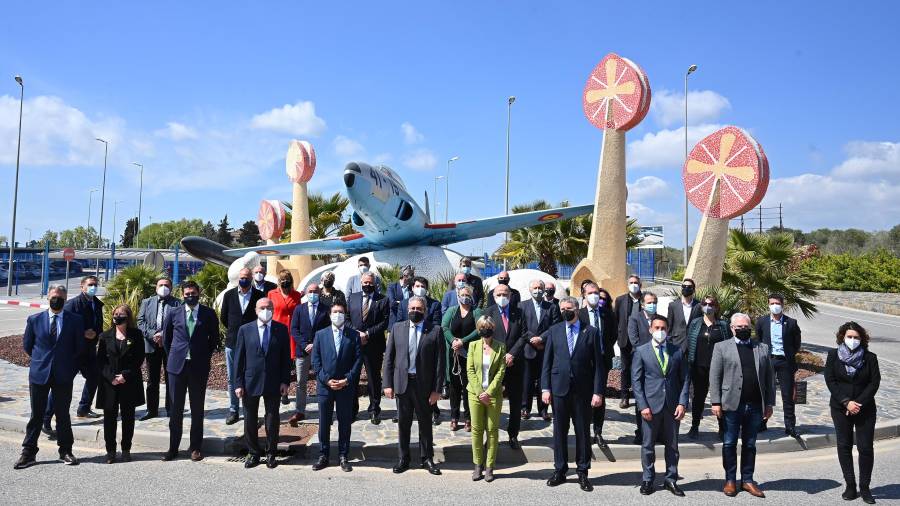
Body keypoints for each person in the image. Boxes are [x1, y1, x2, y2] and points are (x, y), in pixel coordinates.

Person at [15, 285, 84, 470]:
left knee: (63, 415)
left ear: (65, 298)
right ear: (48, 297)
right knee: (36, 415)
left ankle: (66, 451)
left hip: (63, 375)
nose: (57, 299)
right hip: (39, 374)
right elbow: (28, 346)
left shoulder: (75, 321)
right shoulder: (35, 320)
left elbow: (79, 348)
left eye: (60, 297)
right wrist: (42, 361)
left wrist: (68, 367)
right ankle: (28, 453)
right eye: (54, 296)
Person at [542, 296, 604, 492]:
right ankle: (560, 470)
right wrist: (545, 388)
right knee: (559, 431)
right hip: (559, 389)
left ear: (577, 309)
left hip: (583, 392)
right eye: (562, 309)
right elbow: (547, 362)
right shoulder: (554, 331)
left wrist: (598, 392)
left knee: (582, 432)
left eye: (568, 308)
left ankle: (583, 472)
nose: (564, 311)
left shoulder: (591, 332)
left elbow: (599, 367)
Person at [710, 313, 775, 498]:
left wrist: (769, 403)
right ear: (732, 328)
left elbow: (769, 378)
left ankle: (747, 480)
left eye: (746, 327)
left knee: (750, 444)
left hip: (755, 405)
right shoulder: (721, 347)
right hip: (731, 404)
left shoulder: (761, 348)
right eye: (739, 327)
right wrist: (715, 402)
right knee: (729, 443)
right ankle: (730, 480)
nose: (743, 330)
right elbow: (714, 377)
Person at [383, 296, 444, 475]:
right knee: (404, 423)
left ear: (425, 311)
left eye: (419, 309)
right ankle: (404, 459)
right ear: (407, 309)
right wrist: (387, 383)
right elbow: (388, 358)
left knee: (425, 423)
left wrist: (437, 390)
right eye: (412, 308)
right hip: (402, 384)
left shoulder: (435, 331)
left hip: (424, 386)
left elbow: (440, 364)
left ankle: (427, 459)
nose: (415, 311)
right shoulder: (397, 328)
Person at [162, 281, 221, 462]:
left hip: (198, 367)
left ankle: (195, 447)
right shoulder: (173, 313)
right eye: (187, 294)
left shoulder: (209, 314)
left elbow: (214, 339)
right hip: (176, 367)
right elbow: (166, 339)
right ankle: (173, 448)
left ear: (199, 293)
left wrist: (202, 355)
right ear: (182, 294)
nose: (190, 296)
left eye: (193, 293)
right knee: (176, 410)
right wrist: (176, 355)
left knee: (197, 409)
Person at [632, 315, 689, 496]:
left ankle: (670, 479)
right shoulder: (641, 351)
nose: (660, 331)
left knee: (672, 446)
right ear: (650, 330)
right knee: (648, 445)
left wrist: (682, 403)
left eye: (663, 328)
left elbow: (685, 379)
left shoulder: (677, 351)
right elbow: (636, 381)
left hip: (672, 406)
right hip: (650, 406)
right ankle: (648, 479)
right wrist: (642, 406)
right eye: (657, 328)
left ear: (668, 330)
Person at [824, 322, 880, 504]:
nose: (853, 340)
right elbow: (830, 380)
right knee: (844, 445)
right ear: (842, 337)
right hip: (841, 408)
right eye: (849, 337)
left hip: (865, 409)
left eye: (856, 337)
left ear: (862, 339)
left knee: (865, 448)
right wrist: (847, 403)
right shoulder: (833, 356)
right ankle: (850, 485)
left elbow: (874, 383)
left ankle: (865, 487)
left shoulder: (870, 358)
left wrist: (859, 403)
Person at [234, 298, 292, 469]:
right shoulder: (245, 330)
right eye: (262, 307)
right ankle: (253, 453)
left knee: (272, 419)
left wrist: (285, 381)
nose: (266, 310)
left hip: (274, 382)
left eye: (269, 307)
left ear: (273, 310)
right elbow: (239, 359)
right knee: (250, 419)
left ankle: (271, 453)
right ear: (256, 310)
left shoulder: (281, 330)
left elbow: (285, 359)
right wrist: (238, 383)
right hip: (250, 381)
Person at [45, 275, 104, 428]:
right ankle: (46, 418)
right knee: (61, 385)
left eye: (95, 285)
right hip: (72, 353)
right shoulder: (72, 305)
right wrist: (83, 333)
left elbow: (99, 326)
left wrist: (95, 333)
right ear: (82, 286)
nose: (94, 287)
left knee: (94, 376)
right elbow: (63, 327)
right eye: (90, 284)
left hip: (89, 350)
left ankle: (84, 408)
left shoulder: (97, 304)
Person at [311, 303, 363, 472]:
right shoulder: (320, 335)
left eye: (341, 312)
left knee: (344, 422)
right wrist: (327, 380)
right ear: (329, 314)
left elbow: (357, 361)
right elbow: (316, 362)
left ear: (345, 314)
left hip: (345, 387)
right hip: (325, 387)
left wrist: (347, 380)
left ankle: (343, 455)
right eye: (335, 312)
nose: (338, 314)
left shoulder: (353, 335)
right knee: (324, 422)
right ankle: (323, 454)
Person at [96, 304, 145, 464]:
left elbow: (139, 359)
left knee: (128, 417)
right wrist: (112, 377)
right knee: (109, 418)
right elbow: (101, 361)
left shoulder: (136, 335)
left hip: (128, 382)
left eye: (122, 314)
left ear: (128, 317)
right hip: (109, 383)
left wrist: (124, 375)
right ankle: (110, 451)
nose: (118, 316)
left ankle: (126, 450)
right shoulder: (105, 336)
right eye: (116, 314)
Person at [394, 276, 443, 425]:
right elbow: (399, 322)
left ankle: (434, 411)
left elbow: (436, 325)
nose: (419, 287)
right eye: (417, 285)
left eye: (422, 285)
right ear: (412, 287)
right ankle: (401, 414)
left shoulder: (434, 304)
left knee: (426, 409)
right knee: (404, 420)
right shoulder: (403, 304)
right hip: (406, 357)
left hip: (426, 346)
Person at [219, 268, 264, 425]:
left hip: (252, 344)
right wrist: (235, 331)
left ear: (251, 279)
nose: (244, 279)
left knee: (250, 377)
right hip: (233, 343)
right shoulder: (229, 295)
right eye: (242, 277)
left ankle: (250, 411)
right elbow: (224, 317)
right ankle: (233, 410)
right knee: (233, 378)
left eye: (247, 277)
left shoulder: (259, 295)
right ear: (239, 278)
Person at [754, 293, 802, 437]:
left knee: (788, 395)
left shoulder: (791, 323)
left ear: (782, 305)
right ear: (768, 305)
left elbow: (796, 343)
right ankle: (761, 422)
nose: (775, 306)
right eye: (772, 303)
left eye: (778, 303)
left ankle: (790, 426)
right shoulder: (762, 321)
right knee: (764, 392)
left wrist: (789, 354)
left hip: (784, 362)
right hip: (768, 360)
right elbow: (759, 339)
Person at [485, 283, 525, 449]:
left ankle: (513, 435)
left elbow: (524, 335)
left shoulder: (519, 312)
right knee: (492, 402)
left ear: (510, 295)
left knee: (515, 403)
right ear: (494, 296)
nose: (502, 297)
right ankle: (490, 436)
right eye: (499, 294)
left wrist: (512, 354)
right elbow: (484, 338)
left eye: (505, 294)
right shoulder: (488, 313)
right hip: (494, 365)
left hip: (515, 364)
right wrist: (500, 357)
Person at [467, 316, 506, 482]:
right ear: (478, 329)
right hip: (475, 394)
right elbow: (469, 370)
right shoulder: (473, 345)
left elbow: (501, 372)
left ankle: (490, 466)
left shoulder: (500, 347)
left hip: (493, 395)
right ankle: (477, 465)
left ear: (493, 328)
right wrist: (479, 391)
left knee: (492, 430)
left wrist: (488, 392)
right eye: (482, 327)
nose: (485, 330)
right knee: (476, 430)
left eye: (488, 327)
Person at [347, 272, 389, 424]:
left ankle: (374, 410)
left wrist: (367, 334)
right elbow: (346, 319)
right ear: (361, 282)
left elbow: (384, 322)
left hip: (374, 345)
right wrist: (357, 333)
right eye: (365, 282)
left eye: (370, 283)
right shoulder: (352, 298)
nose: (367, 285)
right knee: (353, 378)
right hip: (354, 345)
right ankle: (352, 410)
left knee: (373, 379)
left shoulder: (383, 299)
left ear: (375, 283)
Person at [136, 276, 181, 420]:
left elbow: (180, 323)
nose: (163, 287)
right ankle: (151, 410)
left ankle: (171, 409)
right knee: (152, 380)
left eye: (167, 285)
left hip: (170, 346)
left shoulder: (177, 303)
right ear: (156, 288)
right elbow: (140, 321)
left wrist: (164, 336)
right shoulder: (146, 302)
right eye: (161, 285)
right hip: (151, 345)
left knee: (171, 379)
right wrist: (153, 335)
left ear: (171, 288)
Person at [685, 295, 729, 440]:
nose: (708, 306)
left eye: (711, 304)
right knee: (698, 398)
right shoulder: (696, 323)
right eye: (705, 304)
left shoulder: (723, 325)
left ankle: (722, 428)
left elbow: (728, 345)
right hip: (699, 367)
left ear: (716, 307)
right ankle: (694, 426)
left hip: (718, 368)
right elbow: (689, 343)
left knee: (720, 399)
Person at [579, 284, 616, 448]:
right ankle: (584, 431)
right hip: (585, 363)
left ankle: (598, 432)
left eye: (597, 293)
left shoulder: (607, 314)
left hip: (603, 360)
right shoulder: (579, 315)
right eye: (591, 293)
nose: (594, 296)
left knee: (599, 395)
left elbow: (613, 335)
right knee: (585, 397)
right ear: (584, 295)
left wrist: (604, 349)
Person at [289, 282, 331, 425]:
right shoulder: (299, 309)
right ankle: (300, 411)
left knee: (322, 380)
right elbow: (294, 329)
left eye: (315, 291)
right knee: (301, 382)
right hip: (302, 351)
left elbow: (328, 329)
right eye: (310, 291)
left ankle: (324, 409)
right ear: (306, 293)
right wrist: (305, 344)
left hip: (319, 351)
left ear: (319, 293)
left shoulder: (325, 310)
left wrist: (315, 344)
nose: (313, 294)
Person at [442, 284, 483, 431]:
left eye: (468, 295)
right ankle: (454, 417)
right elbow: (444, 327)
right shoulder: (452, 311)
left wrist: (463, 341)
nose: (465, 297)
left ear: (472, 297)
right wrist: (453, 341)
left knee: (468, 387)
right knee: (454, 388)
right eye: (462, 294)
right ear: (458, 296)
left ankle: (468, 418)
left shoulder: (477, 311)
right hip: (453, 354)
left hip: (470, 355)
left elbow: (480, 329)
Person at [521, 279, 561, 422]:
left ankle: (543, 409)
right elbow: (522, 328)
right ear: (530, 289)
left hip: (545, 349)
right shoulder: (522, 306)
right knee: (527, 381)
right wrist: (532, 339)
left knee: (543, 380)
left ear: (544, 290)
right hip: (528, 348)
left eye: (540, 288)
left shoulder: (551, 307)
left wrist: (541, 339)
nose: (537, 290)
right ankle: (525, 408)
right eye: (535, 287)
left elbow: (555, 326)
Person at [627, 290, 658, 443]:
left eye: (654, 302)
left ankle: (656, 432)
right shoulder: (634, 319)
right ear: (643, 304)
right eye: (649, 302)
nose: (652, 305)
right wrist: (648, 354)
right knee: (641, 398)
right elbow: (634, 340)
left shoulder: (660, 320)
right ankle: (640, 432)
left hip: (658, 365)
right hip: (640, 362)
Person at [268, 270, 302, 405]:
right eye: (282, 279)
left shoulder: (297, 295)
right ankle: (275, 389)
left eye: (287, 279)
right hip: (276, 332)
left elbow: (298, 313)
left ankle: (285, 392)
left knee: (287, 364)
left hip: (291, 333)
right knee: (275, 362)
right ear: (279, 281)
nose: (285, 281)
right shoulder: (272, 294)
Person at [614, 274, 642, 410]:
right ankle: (624, 397)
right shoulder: (620, 300)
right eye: (631, 282)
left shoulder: (646, 300)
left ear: (640, 285)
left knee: (640, 369)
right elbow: (617, 319)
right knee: (625, 369)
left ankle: (639, 397)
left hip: (641, 341)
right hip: (625, 340)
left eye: (636, 282)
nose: (634, 284)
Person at [665, 278, 701, 351]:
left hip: (693, 344)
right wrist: (669, 341)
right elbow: (669, 325)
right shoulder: (673, 305)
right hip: (676, 343)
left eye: (689, 287)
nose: (686, 288)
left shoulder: (699, 306)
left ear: (693, 290)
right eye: (684, 286)